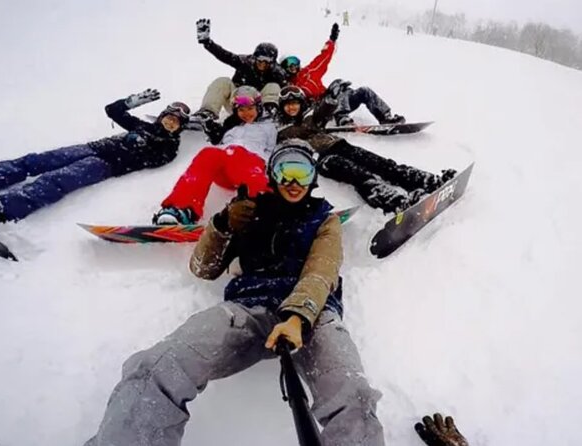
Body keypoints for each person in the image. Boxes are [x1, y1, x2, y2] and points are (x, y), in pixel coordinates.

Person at [85, 140, 386, 446]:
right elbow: (203, 268)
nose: (293, 183)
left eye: (302, 172)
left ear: (313, 178)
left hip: (313, 315)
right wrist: (221, 225)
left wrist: (296, 317)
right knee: (156, 367)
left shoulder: (325, 220)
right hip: (247, 310)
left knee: (353, 395)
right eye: (285, 171)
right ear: (272, 174)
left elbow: (322, 271)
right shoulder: (250, 213)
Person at [0, 89, 189, 231]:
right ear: (162, 116)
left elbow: (158, 160)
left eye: (176, 122)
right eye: (169, 116)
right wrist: (132, 101)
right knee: (34, 161)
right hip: (91, 148)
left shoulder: (169, 146)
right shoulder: (141, 124)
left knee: (56, 181)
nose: (170, 122)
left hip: (105, 165)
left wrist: (143, 147)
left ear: (178, 128)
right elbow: (112, 111)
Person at [275, 83, 455, 213]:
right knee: (359, 175)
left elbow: (324, 111)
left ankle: (427, 181)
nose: (292, 107)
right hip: (322, 159)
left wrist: (330, 98)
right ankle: (395, 202)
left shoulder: (310, 117)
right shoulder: (283, 131)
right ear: (282, 107)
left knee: (382, 165)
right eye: (288, 105)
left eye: (295, 103)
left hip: (338, 145)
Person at [153, 85, 276, 225]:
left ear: (258, 107)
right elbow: (219, 142)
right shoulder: (231, 126)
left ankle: (264, 209)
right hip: (226, 168)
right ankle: (182, 209)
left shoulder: (269, 126)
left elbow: (273, 152)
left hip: (251, 168)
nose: (246, 113)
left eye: (250, 109)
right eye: (241, 110)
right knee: (208, 153)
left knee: (238, 153)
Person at [278, 24, 405, 126]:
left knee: (360, 90)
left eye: (295, 62)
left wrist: (332, 40)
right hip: (318, 111)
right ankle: (342, 118)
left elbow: (324, 57)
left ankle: (385, 118)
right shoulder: (288, 87)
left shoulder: (309, 72)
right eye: (289, 64)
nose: (293, 67)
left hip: (333, 100)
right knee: (334, 90)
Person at [191, 18, 287, 122]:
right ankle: (207, 113)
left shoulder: (277, 72)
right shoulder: (244, 62)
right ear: (254, 58)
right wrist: (207, 42)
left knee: (273, 86)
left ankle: (268, 113)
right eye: (259, 60)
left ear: (273, 62)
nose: (262, 64)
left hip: (258, 107)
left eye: (267, 62)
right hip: (237, 103)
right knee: (223, 81)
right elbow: (223, 55)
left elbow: (287, 90)